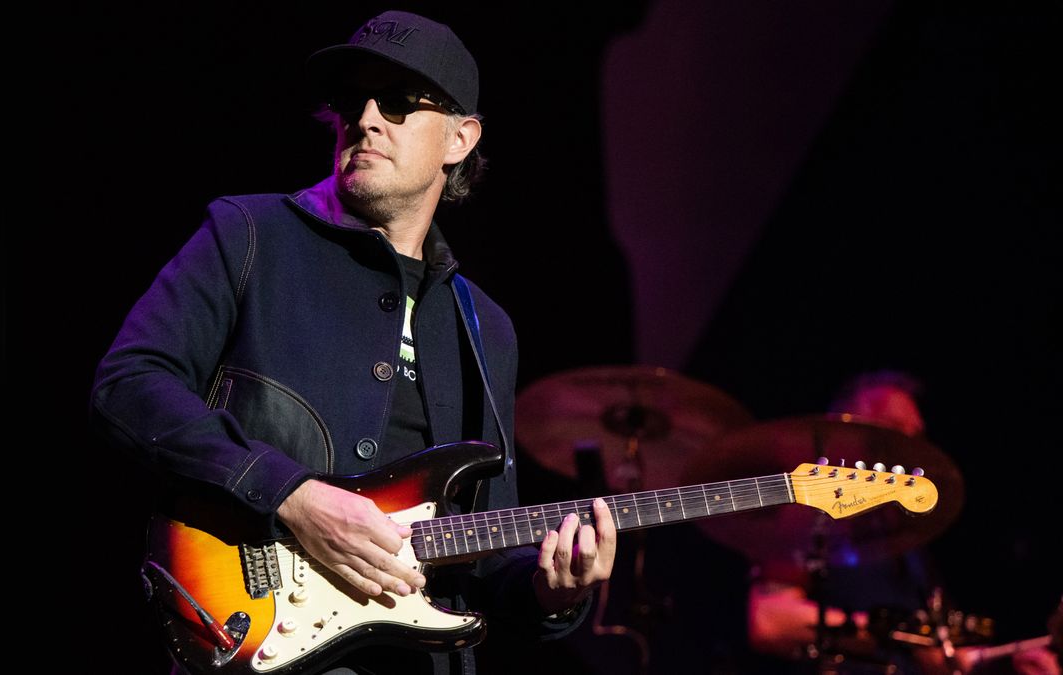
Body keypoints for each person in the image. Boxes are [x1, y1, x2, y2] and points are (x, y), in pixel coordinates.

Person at [89, 10, 616, 675]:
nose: (365, 118)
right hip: (257, 637)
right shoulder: (249, 234)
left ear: (460, 137)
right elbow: (128, 386)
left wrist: (553, 591)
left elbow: (487, 558)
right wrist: (293, 495)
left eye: (396, 103)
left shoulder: (487, 327)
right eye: (351, 101)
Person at [747, 370, 1059, 675]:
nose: (911, 451)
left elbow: (935, 657)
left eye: (916, 437)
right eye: (894, 431)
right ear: (844, 434)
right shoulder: (812, 514)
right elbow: (770, 621)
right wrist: (892, 634)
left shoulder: (910, 547)